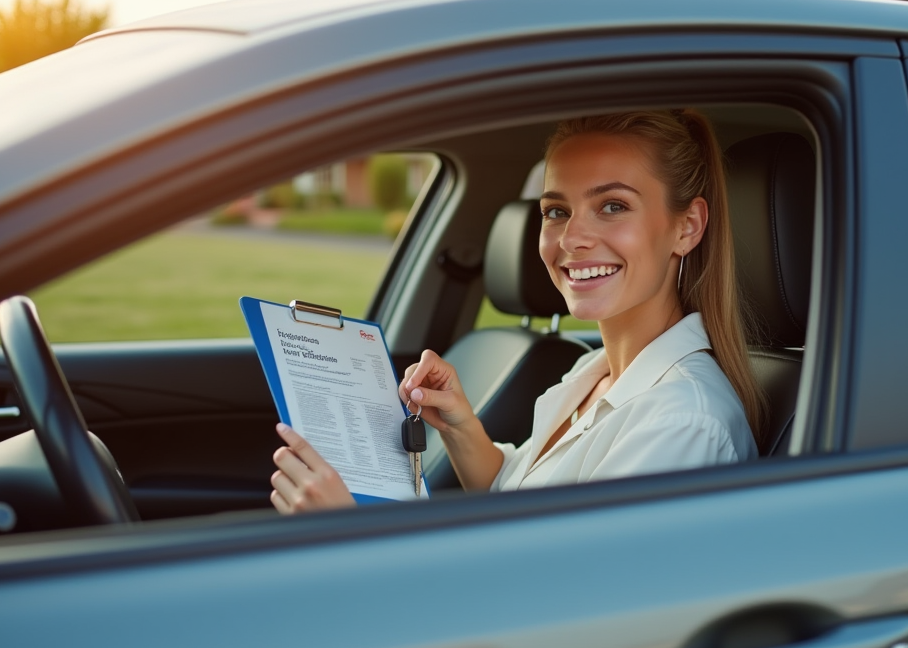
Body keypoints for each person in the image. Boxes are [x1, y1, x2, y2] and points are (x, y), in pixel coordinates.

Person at [269, 109, 763, 513]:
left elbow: (557, 613)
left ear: (687, 226)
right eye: (556, 211)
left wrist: (348, 534)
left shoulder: (681, 424)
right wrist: (462, 427)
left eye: (613, 206)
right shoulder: (593, 375)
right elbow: (523, 501)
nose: (572, 239)